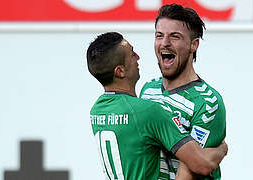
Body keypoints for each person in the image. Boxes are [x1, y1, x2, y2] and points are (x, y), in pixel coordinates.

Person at [87, 32, 227, 180]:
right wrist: (221, 149)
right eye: (132, 54)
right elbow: (201, 164)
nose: (137, 57)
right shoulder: (147, 110)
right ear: (120, 71)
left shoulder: (96, 111)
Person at [139, 4, 227, 180]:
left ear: (193, 45)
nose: (164, 43)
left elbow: (190, 170)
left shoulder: (207, 102)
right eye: (159, 35)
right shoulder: (148, 91)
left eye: (175, 36)